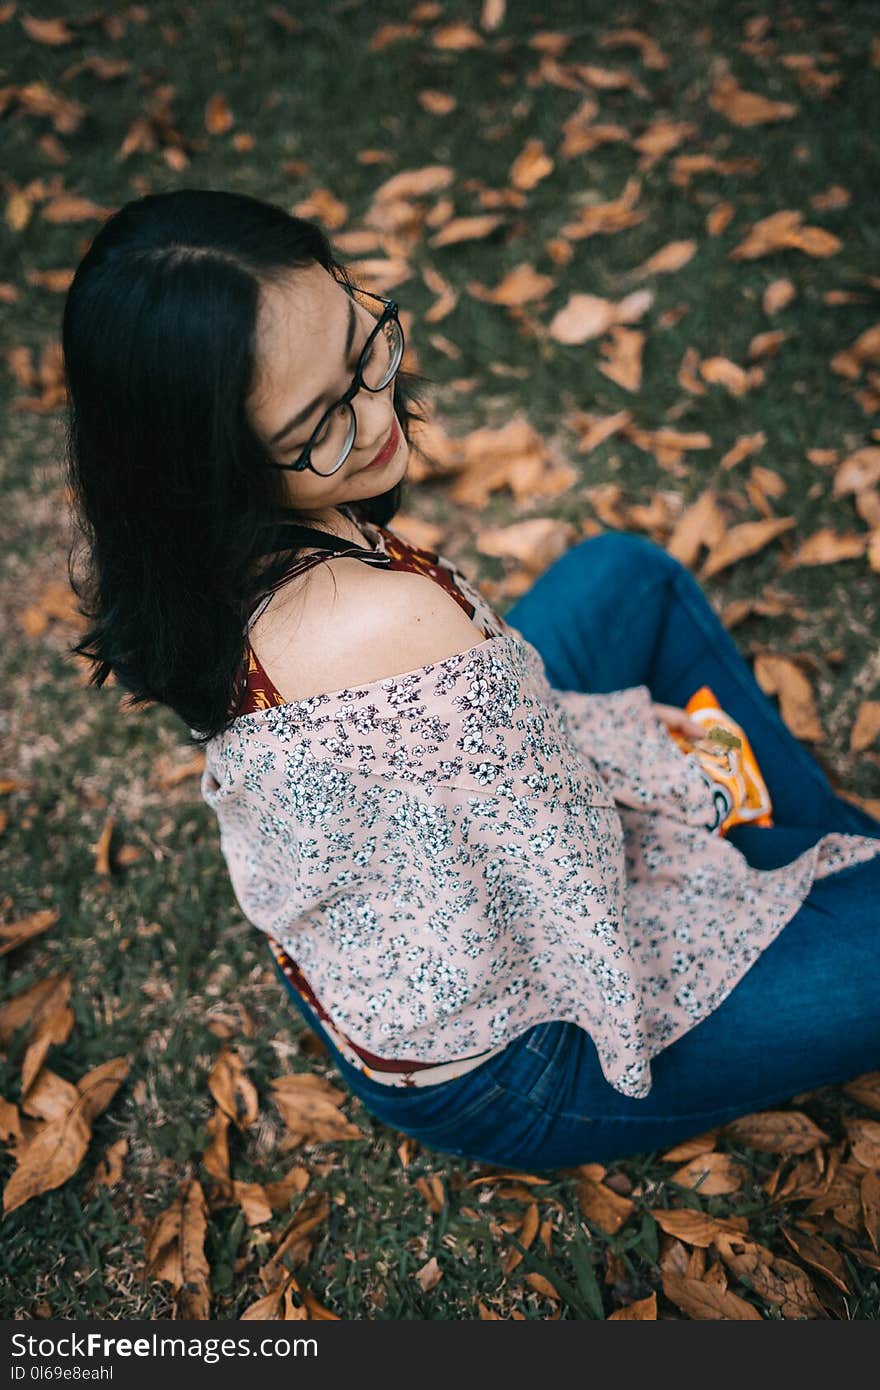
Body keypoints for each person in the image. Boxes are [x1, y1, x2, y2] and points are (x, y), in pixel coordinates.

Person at [62, 188, 880, 1172]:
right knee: (781, 869)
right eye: (320, 421)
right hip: (511, 1057)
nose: (376, 417)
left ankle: (829, 843)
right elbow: (583, 880)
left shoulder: (175, 552)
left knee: (626, 580)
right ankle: (817, 852)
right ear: (214, 463)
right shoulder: (380, 621)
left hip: (379, 949)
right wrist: (706, 809)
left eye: (364, 346)